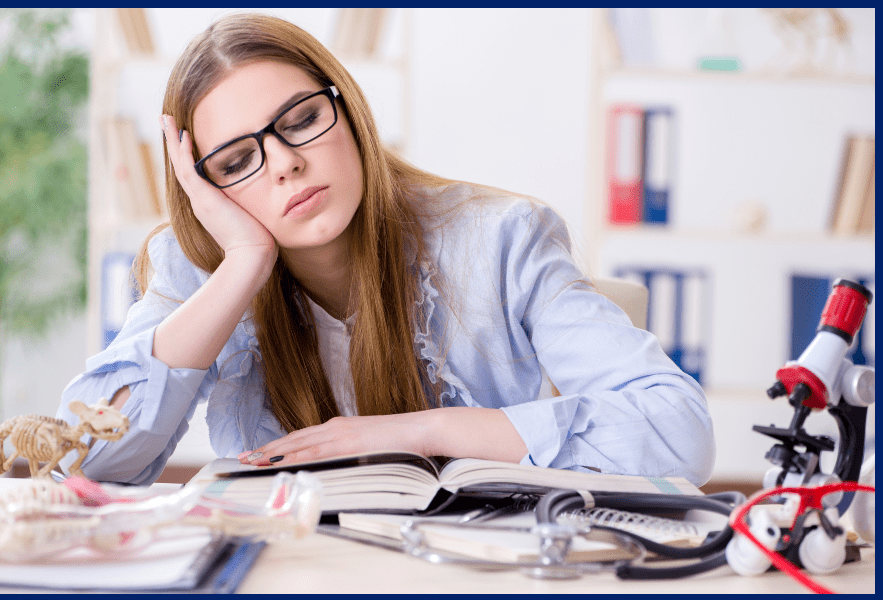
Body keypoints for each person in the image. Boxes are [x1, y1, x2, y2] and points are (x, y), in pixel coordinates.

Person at [58, 13, 715, 486]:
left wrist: (417, 432)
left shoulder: (501, 238)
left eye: (302, 120)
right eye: (236, 161)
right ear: (207, 189)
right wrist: (244, 268)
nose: (284, 163)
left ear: (348, 110)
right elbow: (82, 461)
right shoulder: (199, 263)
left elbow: (679, 430)